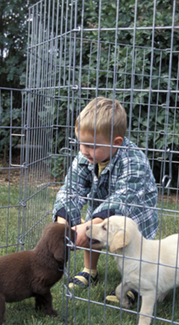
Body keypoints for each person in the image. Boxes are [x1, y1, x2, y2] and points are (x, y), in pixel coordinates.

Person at [53, 97, 159, 301]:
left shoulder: (133, 159)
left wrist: (94, 222)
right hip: (100, 207)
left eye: (91, 146)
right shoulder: (85, 157)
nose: (84, 151)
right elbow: (71, 188)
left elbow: (124, 197)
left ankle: (136, 284)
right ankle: (89, 270)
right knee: (91, 229)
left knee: (134, 249)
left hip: (135, 215)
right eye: (80, 143)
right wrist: (64, 220)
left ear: (116, 142)